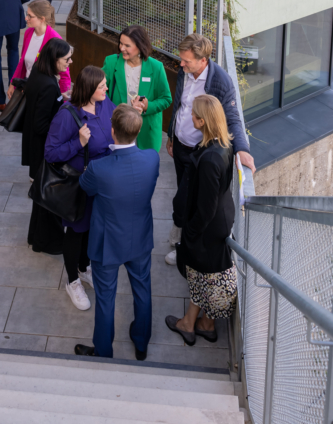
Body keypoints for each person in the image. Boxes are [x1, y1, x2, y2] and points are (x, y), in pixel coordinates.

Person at [74, 104, 159, 360]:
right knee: (142, 290)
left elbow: (84, 186)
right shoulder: (152, 158)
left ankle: (103, 351)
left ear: (112, 131)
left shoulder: (100, 168)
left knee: (105, 298)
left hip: (107, 243)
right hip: (140, 237)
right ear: (138, 130)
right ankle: (141, 343)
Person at [164, 34, 254, 265]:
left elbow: (232, 118)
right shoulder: (185, 73)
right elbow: (180, 107)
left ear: (203, 60)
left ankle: (180, 244)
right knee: (184, 196)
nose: (180, 64)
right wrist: (171, 135)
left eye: (186, 61)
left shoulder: (220, 81)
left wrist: (242, 148)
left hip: (198, 153)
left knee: (184, 200)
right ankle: (180, 237)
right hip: (180, 147)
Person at [166, 95, 239, 346]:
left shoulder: (209, 159)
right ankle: (202, 324)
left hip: (206, 227)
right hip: (220, 219)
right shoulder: (223, 144)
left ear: (203, 120)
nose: (191, 117)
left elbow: (205, 209)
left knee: (200, 272)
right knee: (204, 272)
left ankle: (193, 324)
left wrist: (191, 231)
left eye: (194, 114)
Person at [44, 66, 116, 312]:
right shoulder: (67, 115)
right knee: (76, 232)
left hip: (102, 183)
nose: (106, 88)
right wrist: (78, 142)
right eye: (101, 85)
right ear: (88, 90)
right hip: (79, 186)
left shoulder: (106, 103)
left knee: (93, 229)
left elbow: (114, 128)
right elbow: (50, 153)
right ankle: (72, 281)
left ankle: (84, 268)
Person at [22, 39, 74, 256]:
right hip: (44, 149)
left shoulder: (38, 73)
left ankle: (35, 236)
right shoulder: (49, 84)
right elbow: (41, 124)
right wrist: (63, 109)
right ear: (54, 59)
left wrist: (60, 99)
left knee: (41, 197)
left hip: (34, 148)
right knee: (49, 199)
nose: (70, 63)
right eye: (67, 59)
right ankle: (48, 241)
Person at [102, 26, 172, 151]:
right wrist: (116, 111)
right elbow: (100, 90)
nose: (121, 48)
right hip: (118, 130)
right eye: (121, 43)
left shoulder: (156, 67)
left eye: (127, 45)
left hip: (146, 133)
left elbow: (166, 98)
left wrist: (147, 106)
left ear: (140, 46)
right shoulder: (111, 62)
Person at [7, 0, 71, 98]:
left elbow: (64, 73)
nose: (26, 18)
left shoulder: (55, 39)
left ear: (42, 19)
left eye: (30, 16)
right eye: (27, 14)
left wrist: (64, 100)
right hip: (27, 90)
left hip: (44, 95)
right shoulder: (28, 33)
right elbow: (22, 62)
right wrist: (13, 82)